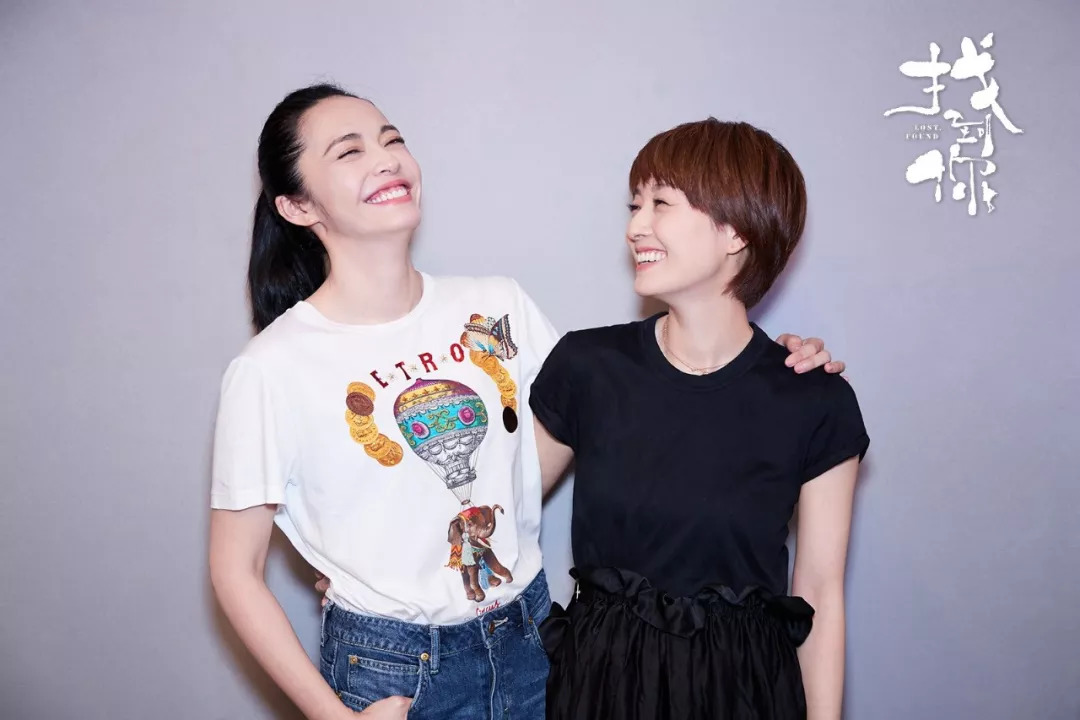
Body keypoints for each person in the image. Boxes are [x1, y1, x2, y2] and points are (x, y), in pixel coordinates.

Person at [208, 83, 847, 720]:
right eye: (350, 151)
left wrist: (778, 368)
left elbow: (545, 460)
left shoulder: (497, 307)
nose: (386, 159)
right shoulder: (272, 366)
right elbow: (235, 570)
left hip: (531, 642)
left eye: (392, 139)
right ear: (296, 206)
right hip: (399, 667)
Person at [529, 118, 870, 719]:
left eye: (661, 203)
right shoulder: (587, 366)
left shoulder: (814, 399)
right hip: (601, 687)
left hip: (745, 695)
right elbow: (492, 514)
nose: (636, 226)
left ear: (736, 230)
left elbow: (820, 592)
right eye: (635, 205)